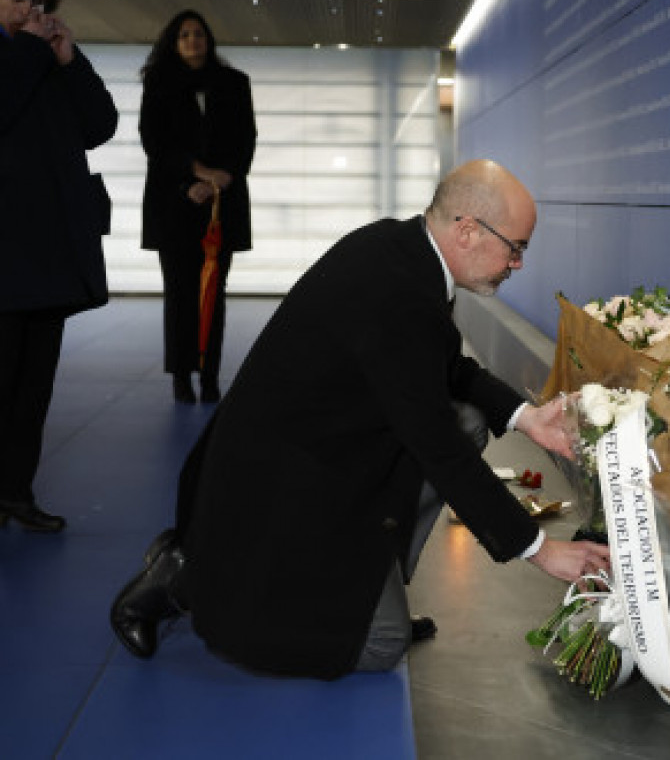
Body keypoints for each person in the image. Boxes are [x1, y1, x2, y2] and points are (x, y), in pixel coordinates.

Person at [110, 159, 610, 678]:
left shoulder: (401, 248)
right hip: (284, 481)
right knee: (380, 643)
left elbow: (443, 366)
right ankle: (185, 577)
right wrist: (540, 549)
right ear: (467, 231)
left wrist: (528, 418)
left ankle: (371, 586)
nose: (518, 263)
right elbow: (435, 444)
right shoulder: (398, 290)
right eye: (517, 247)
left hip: (327, 449)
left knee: (469, 421)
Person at [0, 0, 118, 533]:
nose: (30, 8)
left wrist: (71, 62)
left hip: (49, 251)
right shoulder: (19, 55)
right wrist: (28, 51)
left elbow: (101, 125)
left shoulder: (50, 57)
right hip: (5, 252)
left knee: (33, 387)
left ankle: (16, 492)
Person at [139, 10, 257, 404]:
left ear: (209, 41)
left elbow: (245, 141)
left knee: (212, 293)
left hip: (220, 204)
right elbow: (154, 142)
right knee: (179, 294)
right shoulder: (158, 84)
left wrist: (219, 179)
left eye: (199, 34)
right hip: (174, 202)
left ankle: (209, 375)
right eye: (185, 35)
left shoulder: (235, 84)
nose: (193, 41)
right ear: (174, 43)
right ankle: (181, 377)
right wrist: (195, 175)